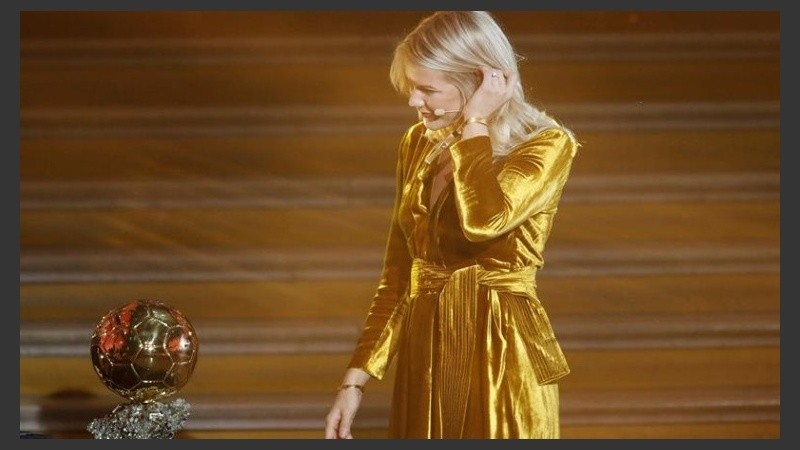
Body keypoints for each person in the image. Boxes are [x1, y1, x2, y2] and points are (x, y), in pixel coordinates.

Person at [324, 11, 579, 439]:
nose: (414, 101)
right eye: (412, 88)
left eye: (427, 89)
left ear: (480, 81)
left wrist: (476, 125)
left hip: (501, 348)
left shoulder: (545, 144)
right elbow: (400, 272)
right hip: (426, 351)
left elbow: (485, 221)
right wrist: (355, 380)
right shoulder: (417, 143)